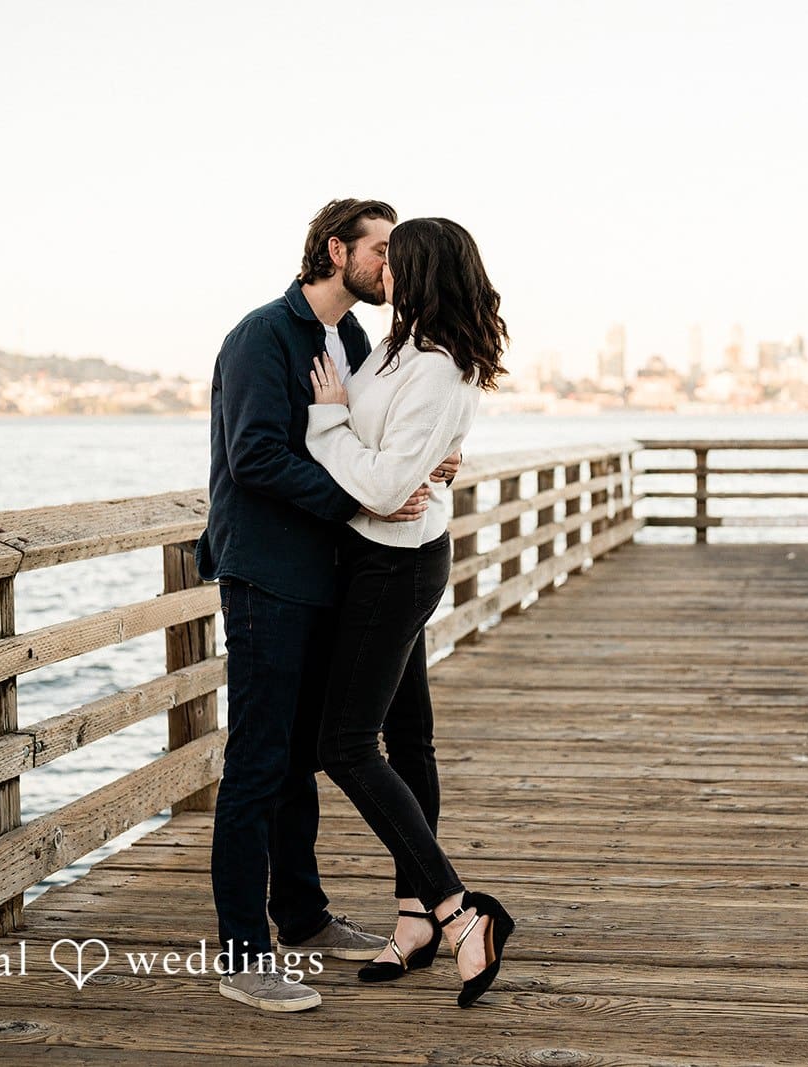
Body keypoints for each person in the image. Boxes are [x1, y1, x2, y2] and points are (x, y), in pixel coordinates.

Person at [196, 198, 459, 1014]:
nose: (392, 265)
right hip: (266, 575)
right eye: (380, 249)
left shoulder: (350, 340)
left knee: (304, 754)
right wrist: (368, 505)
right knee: (257, 763)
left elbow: (371, 440)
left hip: (332, 576)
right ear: (335, 249)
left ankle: (302, 915)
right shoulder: (259, 337)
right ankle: (243, 953)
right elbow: (256, 457)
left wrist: (430, 461)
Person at [306, 217, 515, 1008]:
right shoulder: (395, 347)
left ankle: (459, 913)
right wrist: (413, 463)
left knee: (345, 743)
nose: (382, 265)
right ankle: (413, 918)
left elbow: (387, 487)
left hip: (395, 564)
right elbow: (398, 461)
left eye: (397, 256)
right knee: (409, 738)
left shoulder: (433, 367)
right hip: (380, 556)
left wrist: (328, 422)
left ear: (423, 270)